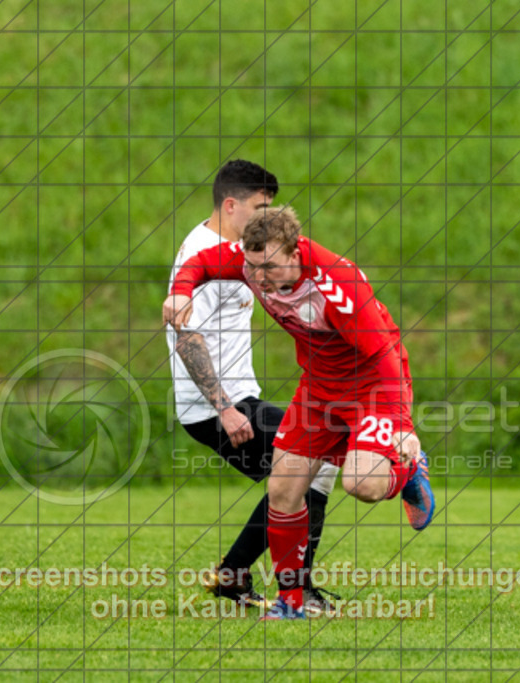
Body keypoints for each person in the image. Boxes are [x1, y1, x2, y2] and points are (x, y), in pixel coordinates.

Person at [165, 205, 434, 620]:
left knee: (361, 484)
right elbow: (199, 263)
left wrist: (401, 425)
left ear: (295, 253)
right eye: (251, 267)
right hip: (319, 391)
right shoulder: (252, 262)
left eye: (269, 267)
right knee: (283, 489)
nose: (258, 278)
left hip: (374, 386)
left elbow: (384, 357)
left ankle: (410, 468)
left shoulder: (337, 284)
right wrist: (181, 291)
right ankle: (292, 602)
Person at [166, 161, 341, 614]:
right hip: (216, 407)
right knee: (306, 466)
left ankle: (236, 577)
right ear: (231, 205)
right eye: (260, 206)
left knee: (310, 467)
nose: (266, 216)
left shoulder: (239, 251)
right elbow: (187, 338)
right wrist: (225, 408)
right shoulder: (201, 251)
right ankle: (293, 590)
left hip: (238, 396)